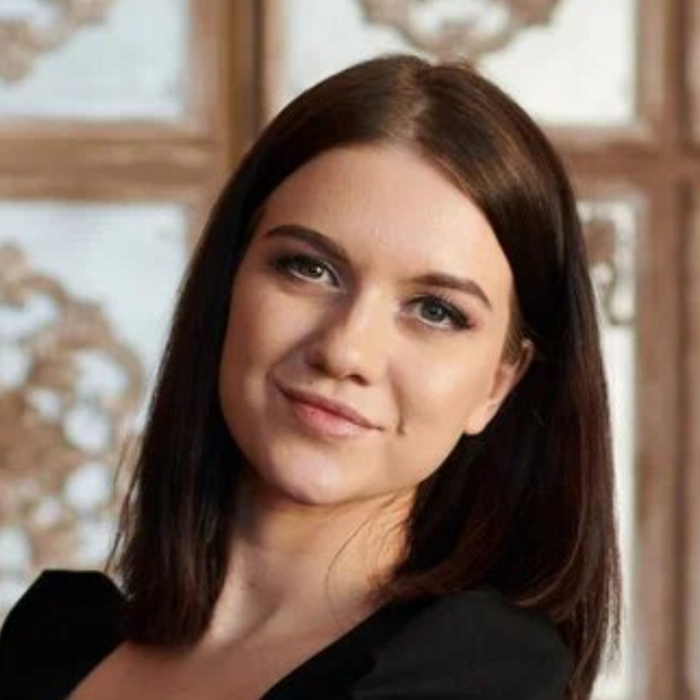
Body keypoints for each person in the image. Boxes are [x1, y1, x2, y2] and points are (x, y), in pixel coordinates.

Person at [0, 54, 620, 700]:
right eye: (309, 268)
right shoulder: (52, 643)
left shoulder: (481, 677)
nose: (345, 351)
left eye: (436, 311)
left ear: (498, 385)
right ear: (229, 282)